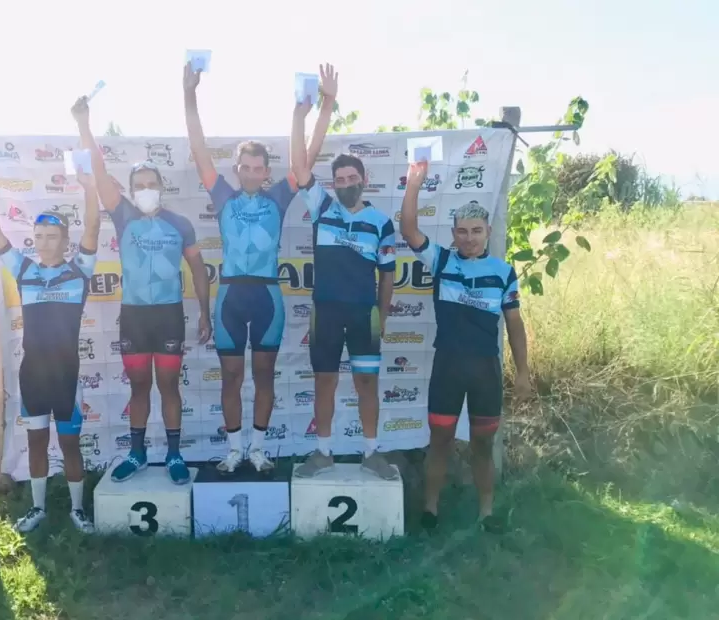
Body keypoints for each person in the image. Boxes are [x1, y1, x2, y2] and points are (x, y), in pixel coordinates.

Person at [184, 61, 337, 474]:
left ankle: (258, 448)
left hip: (268, 295)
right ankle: (234, 449)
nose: (252, 174)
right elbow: (199, 150)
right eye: (245, 168)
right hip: (231, 296)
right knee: (231, 377)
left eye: (258, 168)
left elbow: (307, 157)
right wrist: (189, 94)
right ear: (236, 170)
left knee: (265, 375)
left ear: (266, 171)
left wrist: (319, 108)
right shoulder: (223, 196)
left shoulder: (278, 198)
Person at [72, 96, 211, 485]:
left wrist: (205, 311)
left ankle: (174, 454)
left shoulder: (180, 224)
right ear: (131, 190)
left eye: (151, 184)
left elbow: (198, 268)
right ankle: (137, 453)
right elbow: (99, 171)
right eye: (139, 185)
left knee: (168, 386)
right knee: (139, 387)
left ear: (161, 187)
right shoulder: (124, 214)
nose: (146, 189)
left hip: (168, 316)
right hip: (133, 316)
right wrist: (84, 124)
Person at [0, 155, 101, 534]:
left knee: (70, 445)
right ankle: (38, 508)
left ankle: (77, 510)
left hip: (66, 376)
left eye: (51, 237)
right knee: (37, 443)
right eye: (38, 237)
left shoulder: (78, 271)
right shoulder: (25, 270)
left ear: (65, 241)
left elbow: (92, 226)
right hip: (33, 375)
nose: (44, 243)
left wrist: (90, 189)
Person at [399, 160, 532, 533]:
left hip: (485, 370)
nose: (469, 238)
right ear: (453, 234)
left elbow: (515, 325)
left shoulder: (503, 272)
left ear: (488, 231)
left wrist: (523, 372)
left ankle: (486, 513)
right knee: (439, 441)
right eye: (462, 231)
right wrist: (414, 184)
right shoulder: (441, 260)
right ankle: (430, 510)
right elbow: (408, 229)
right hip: (448, 368)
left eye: (476, 231)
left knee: (482, 445)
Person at [288, 96, 399, 480]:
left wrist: (382, 316)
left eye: (352, 179)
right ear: (332, 185)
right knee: (325, 381)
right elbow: (299, 167)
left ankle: (371, 452)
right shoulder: (322, 208)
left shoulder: (381, 223)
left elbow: (388, 274)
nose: (347, 184)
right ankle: (323, 453)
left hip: (364, 314)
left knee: (367, 382)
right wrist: (305, 114)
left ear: (364, 179)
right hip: (326, 313)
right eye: (340, 180)